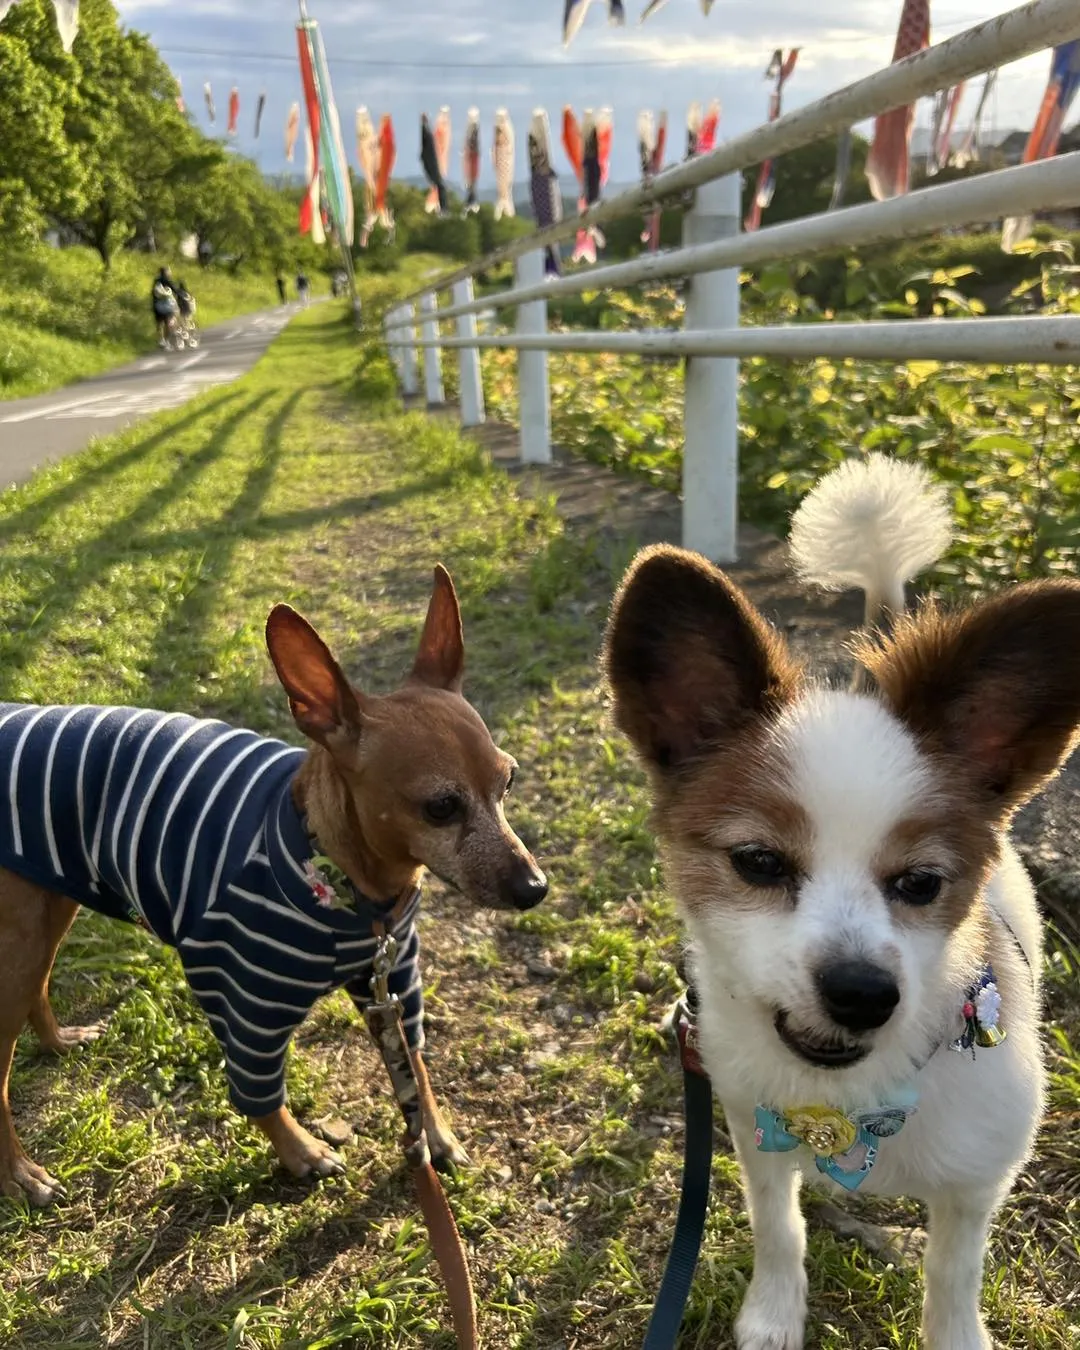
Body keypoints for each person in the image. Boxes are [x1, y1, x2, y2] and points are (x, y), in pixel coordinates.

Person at [151, 265, 179, 347]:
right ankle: (167, 340)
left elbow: (153, 293)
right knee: (168, 322)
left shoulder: (156, 281)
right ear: (166, 272)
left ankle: (160, 340)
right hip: (167, 306)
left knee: (159, 323)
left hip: (157, 305)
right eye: (169, 271)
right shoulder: (167, 280)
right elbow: (175, 290)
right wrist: (182, 294)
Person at [175, 279, 197, 343]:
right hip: (187, 309)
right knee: (187, 320)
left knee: (183, 321)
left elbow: (176, 302)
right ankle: (188, 332)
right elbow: (191, 300)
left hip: (181, 309)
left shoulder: (178, 293)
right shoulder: (186, 292)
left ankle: (185, 333)